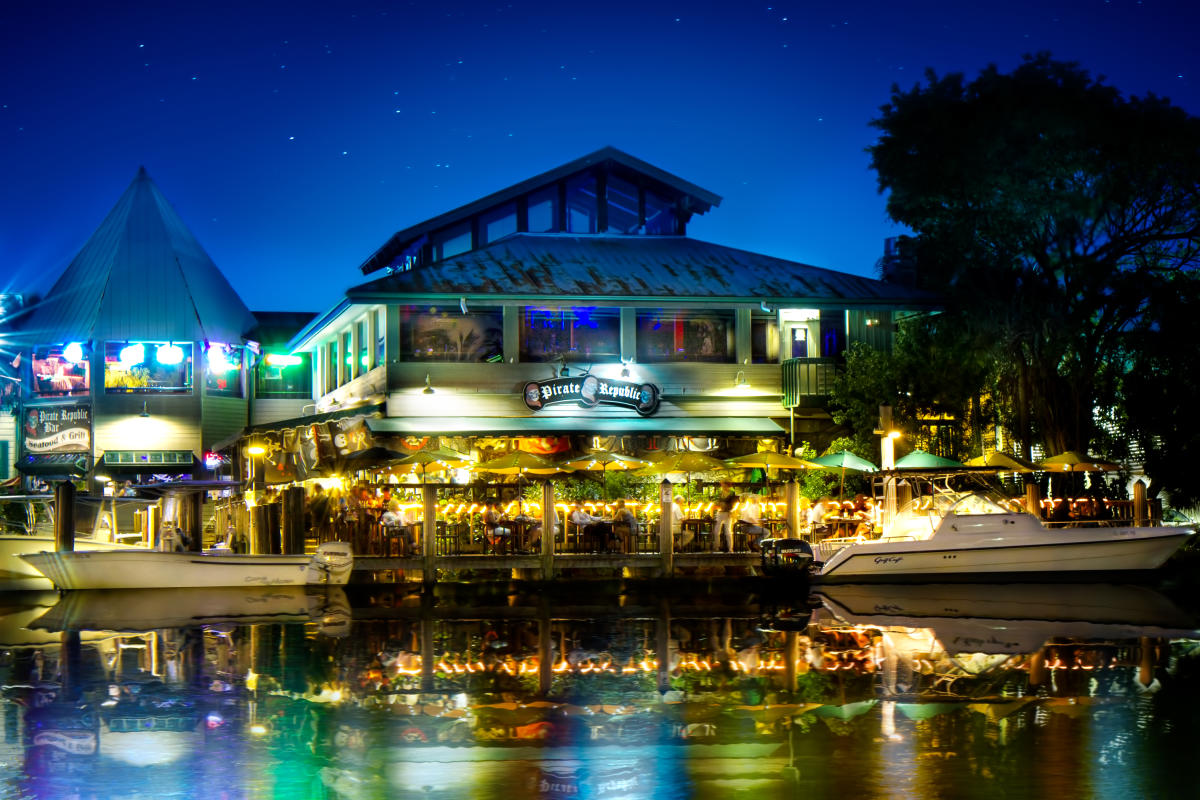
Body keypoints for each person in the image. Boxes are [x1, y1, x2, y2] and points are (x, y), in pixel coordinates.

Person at [711, 481, 737, 552]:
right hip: (721, 512)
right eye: (722, 485)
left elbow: (733, 504)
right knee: (716, 531)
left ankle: (730, 548)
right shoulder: (720, 493)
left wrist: (731, 511)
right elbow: (718, 501)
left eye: (724, 485)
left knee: (728, 532)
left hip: (728, 513)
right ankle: (716, 547)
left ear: (728, 486)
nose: (722, 487)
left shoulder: (731, 494)